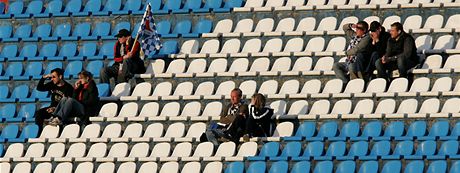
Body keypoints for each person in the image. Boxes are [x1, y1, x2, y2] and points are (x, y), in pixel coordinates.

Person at [35, 68, 74, 133]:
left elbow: (68, 104)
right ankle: (40, 133)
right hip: (52, 108)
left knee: (58, 116)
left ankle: (59, 134)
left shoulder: (68, 88)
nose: (52, 79)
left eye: (54, 77)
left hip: (62, 110)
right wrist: (44, 78)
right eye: (51, 77)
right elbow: (39, 88)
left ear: (60, 77)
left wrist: (55, 108)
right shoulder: (52, 84)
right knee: (39, 113)